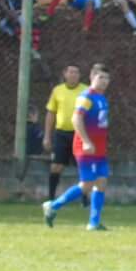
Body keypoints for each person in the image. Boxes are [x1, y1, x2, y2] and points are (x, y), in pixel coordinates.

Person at [44, 64, 112, 230]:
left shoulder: (102, 98)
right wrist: (86, 141)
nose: (104, 81)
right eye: (100, 77)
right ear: (92, 77)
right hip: (85, 147)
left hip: (99, 149)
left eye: (107, 78)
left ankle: (94, 223)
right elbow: (76, 119)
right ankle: (53, 206)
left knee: (101, 182)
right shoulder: (86, 96)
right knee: (87, 184)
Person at [44, 63, 85, 204]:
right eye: (71, 72)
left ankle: (85, 198)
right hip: (61, 134)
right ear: (65, 74)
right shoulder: (58, 91)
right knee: (56, 166)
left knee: (82, 166)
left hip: (80, 134)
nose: (73, 75)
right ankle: (51, 199)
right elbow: (51, 113)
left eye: (76, 72)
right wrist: (47, 136)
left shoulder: (86, 91)